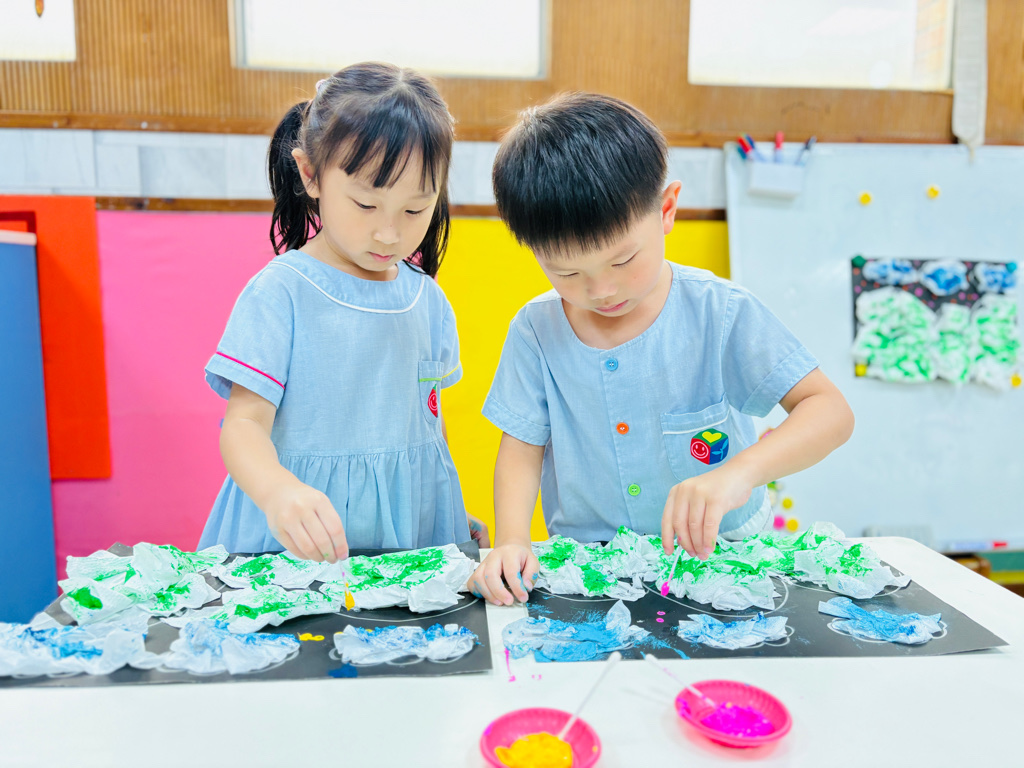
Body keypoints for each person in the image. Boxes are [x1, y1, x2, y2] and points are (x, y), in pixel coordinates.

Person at [470, 93, 853, 605]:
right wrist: (512, 541)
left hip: (724, 557)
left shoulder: (719, 311)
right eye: (568, 272)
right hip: (593, 567)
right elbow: (522, 447)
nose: (602, 290)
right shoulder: (536, 331)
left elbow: (830, 412)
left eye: (623, 260)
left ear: (667, 209)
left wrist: (738, 475)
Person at [199, 62, 488, 562]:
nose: (389, 233)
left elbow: (428, 421)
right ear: (310, 174)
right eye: (365, 205)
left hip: (408, 536)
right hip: (299, 543)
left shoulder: (428, 300)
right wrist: (277, 492)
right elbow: (243, 425)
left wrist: (448, 507)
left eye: (415, 209)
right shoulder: (282, 292)